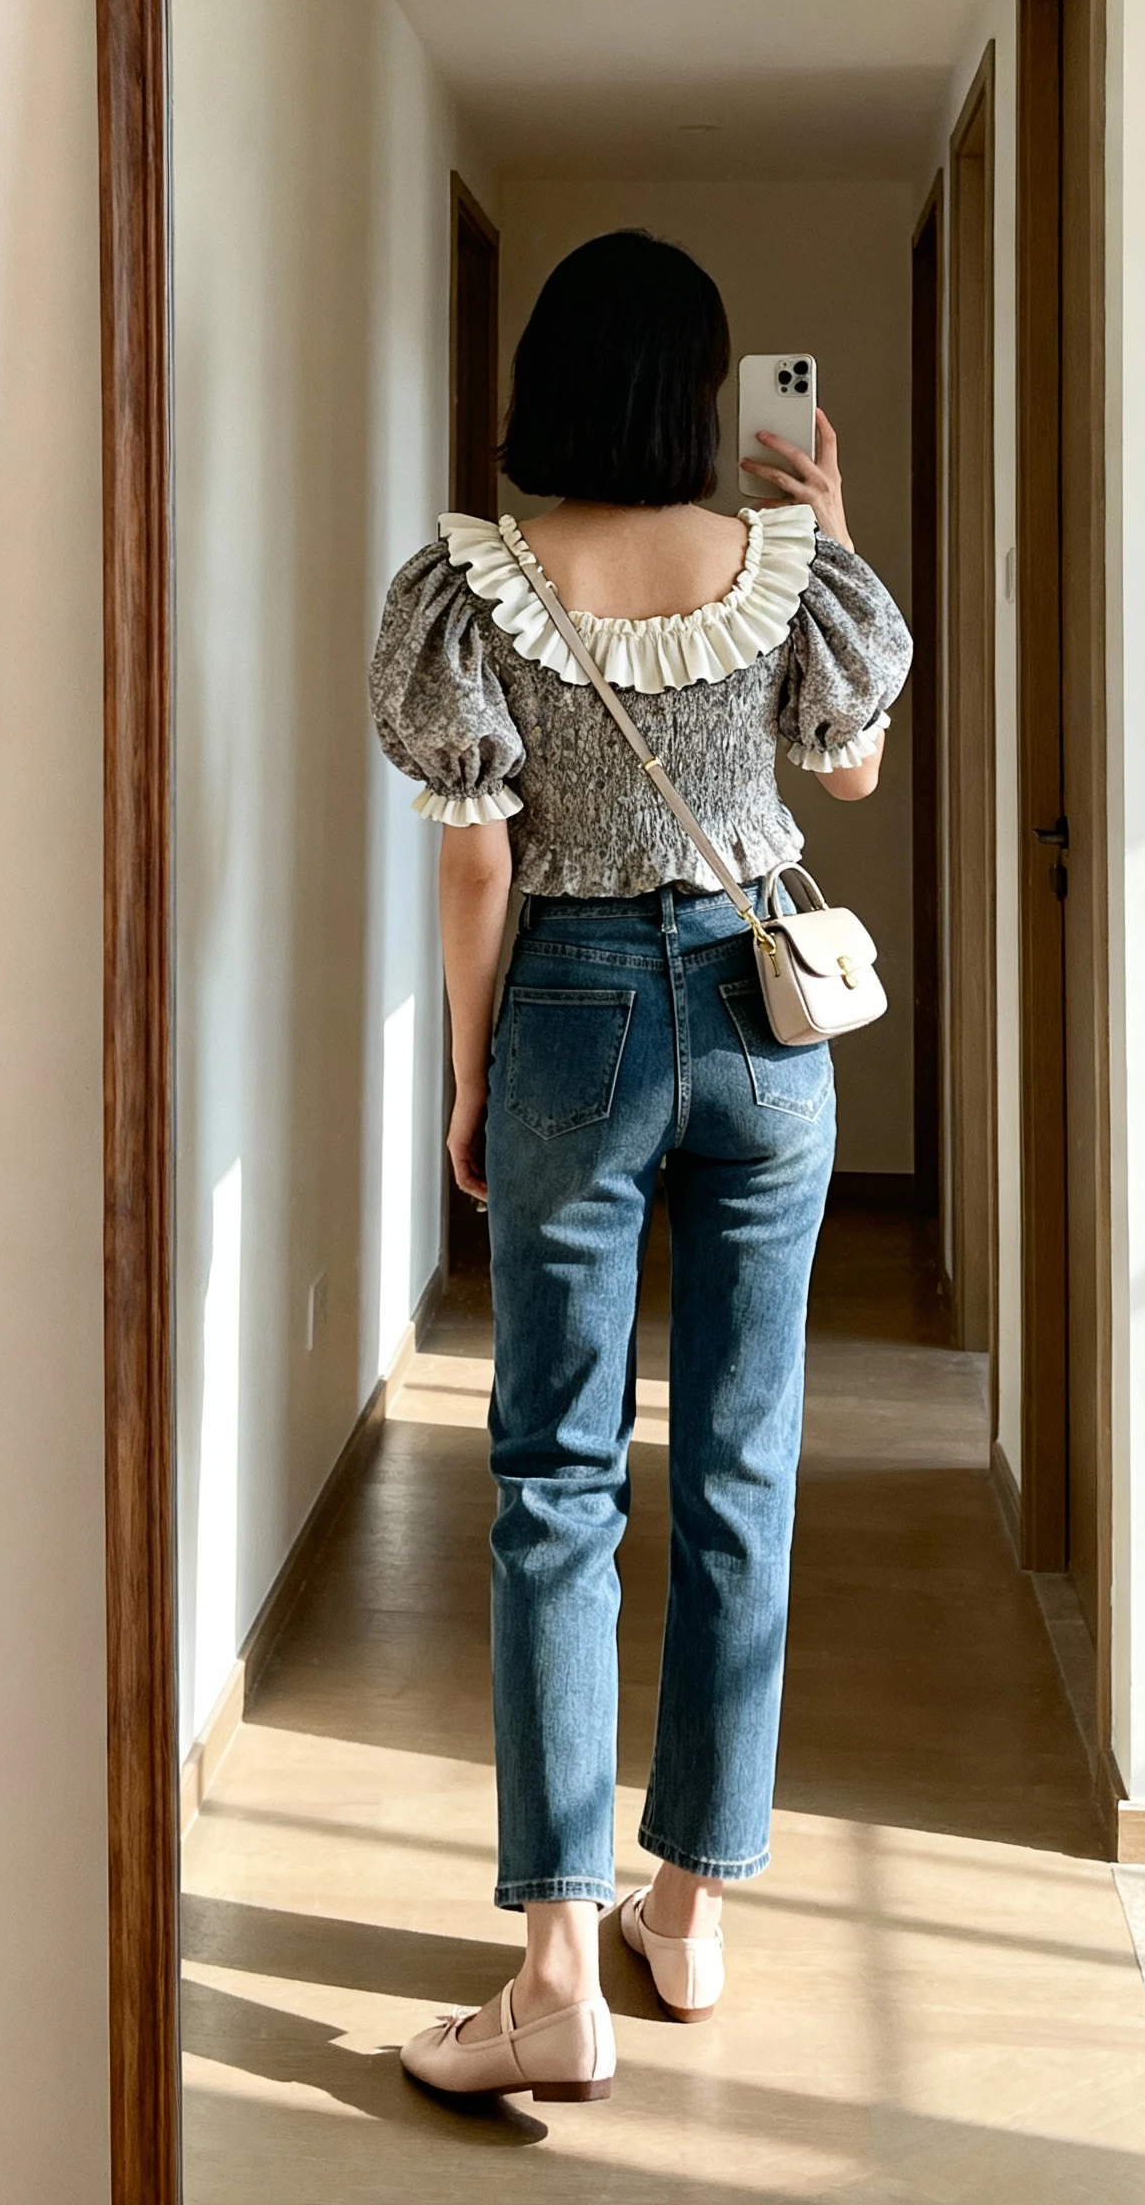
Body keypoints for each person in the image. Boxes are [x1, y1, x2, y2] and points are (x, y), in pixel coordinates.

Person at [370, 229, 911, 2105]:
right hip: (766, 1019)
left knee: (555, 1478)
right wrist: (827, 533)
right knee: (743, 1467)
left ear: (550, 377)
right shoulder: (781, 569)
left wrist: (472, 1076)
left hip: (576, 1014)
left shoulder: (479, 583)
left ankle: (550, 1975)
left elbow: (476, 861)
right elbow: (848, 775)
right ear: (698, 392)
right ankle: (686, 1911)